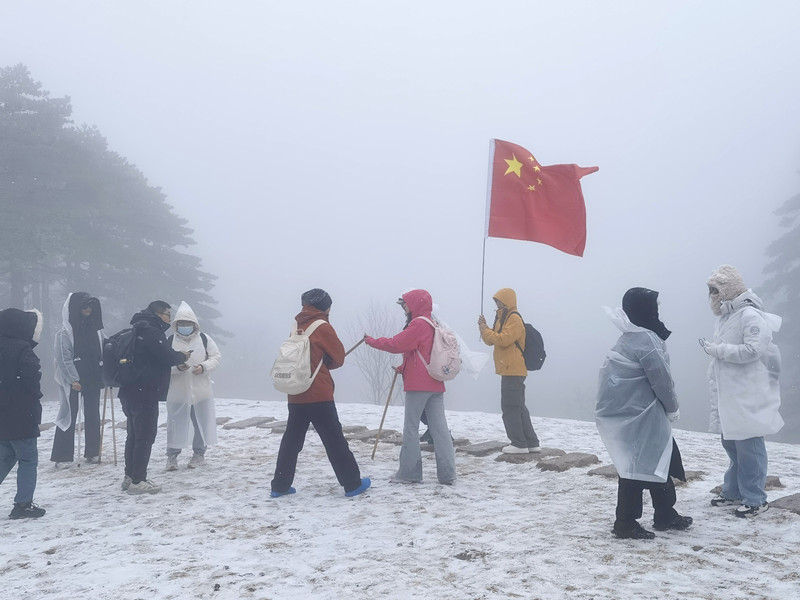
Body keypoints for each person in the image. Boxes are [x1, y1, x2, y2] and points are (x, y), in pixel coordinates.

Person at [596, 288, 692, 539]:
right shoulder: (647, 340)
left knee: (652, 460)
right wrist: (672, 409)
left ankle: (663, 513)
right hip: (644, 415)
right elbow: (662, 381)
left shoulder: (627, 338)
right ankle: (627, 522)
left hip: (626, 415)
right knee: (643, 465)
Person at [700, 265, 783, 518]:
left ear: (728, 289)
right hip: (730, 394)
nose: (712, 296)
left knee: (749, 447)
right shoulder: (726, 316)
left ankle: (756, 498)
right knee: (732, 444)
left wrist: (717, 350)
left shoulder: (750, 315)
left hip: (747, 394)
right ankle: (734, 491)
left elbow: (753, 351)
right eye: (710, 291)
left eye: (715, 290)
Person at [270, 289, 370, 498]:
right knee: (334, 441)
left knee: (291, 440)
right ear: (326, 307)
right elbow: (339, 358)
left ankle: (280, 485)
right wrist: (324, 364)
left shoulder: (296, 326)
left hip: (296, 392)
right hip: (318, 394)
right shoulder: (323, 327)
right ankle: (352, 484)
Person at [365, 289, 456, 485]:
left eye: (405, 304)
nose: (404, 308)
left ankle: (410, 474)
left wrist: (372, 342)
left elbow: (397, 344)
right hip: (435, 382)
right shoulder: (433, 323)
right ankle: (448, 474)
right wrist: (403, 367)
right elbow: (420, 352)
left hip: (419, 385)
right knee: (440, 430)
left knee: (411, 428)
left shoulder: (419, 324)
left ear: (415, 304)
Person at [118, 301, 190, 495]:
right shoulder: (152, 332)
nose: (170, 318)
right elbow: (167, 357)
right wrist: (182, 356)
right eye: (168, 314)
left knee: (133, 436)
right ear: (158, 314)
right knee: (145, 437)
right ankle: (138, 480)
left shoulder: (136, 329)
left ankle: (129, 476)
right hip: (145, 392)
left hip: (129, 391)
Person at [477, 288, 540, 454]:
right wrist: (483, 329)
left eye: (500, 301)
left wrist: (485, 330)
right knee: (518, 406)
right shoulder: (502, 317)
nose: (497, 304)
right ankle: (531, 443)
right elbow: (491, 341)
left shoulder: (514, 319)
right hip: (509, 369)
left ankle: (519, 443)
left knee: (510, 407)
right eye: (496, 302)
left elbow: (503, 340)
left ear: (508, 301)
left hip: (513, 369)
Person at [0, 308, 46, 519]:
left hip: (3, 414)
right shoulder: (22, 349)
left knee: (6, 455)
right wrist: (35, 395)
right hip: (21, 413)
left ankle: (23, 503)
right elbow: (31, 381)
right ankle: (23, 504)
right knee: (28, 459)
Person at [165, 301, 221, 471]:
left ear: (194, 324)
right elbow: (162, 365)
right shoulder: (170, 341)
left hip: (201, 391)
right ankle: (172, 457)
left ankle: (199, 454)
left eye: (188, 323)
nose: (184, 327)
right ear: (176, 325)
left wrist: (203, 367)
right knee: (175, 424)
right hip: (177, 392)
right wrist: (177, 368)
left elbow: (216, 357)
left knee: (200, 424)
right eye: (181, 324)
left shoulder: (204, 339)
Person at [51, 292, 105, 467]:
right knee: (69, 415)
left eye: (91, 306)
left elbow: (103, 351)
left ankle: (92, 452)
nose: (88, 309)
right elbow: (63, 358)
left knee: (93, 416)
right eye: (84, 306)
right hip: (73, 382)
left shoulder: (97, 331)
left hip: (93, 379)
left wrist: (105, 373)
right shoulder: (65, 333)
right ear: (75, 308)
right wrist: (73, 378)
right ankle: (62, 456)